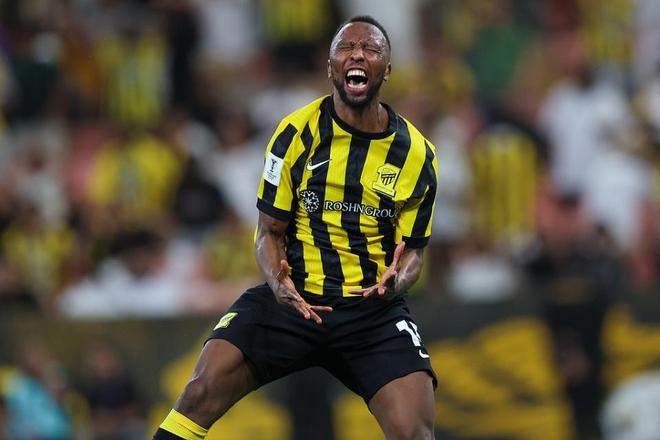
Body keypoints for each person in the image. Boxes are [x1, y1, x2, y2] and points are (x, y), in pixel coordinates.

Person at [153, 15, 438, 440]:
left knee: (415, 432)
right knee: (198, 393)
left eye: (371, 49)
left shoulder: (416, 154)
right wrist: (276, 282)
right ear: (330, 67)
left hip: (372, 313)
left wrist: (399, 279)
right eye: (346, 48)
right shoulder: (295, 134)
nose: (358, 55)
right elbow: (268, 232)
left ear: (388, 70)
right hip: (293, 298)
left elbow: (414, 251)